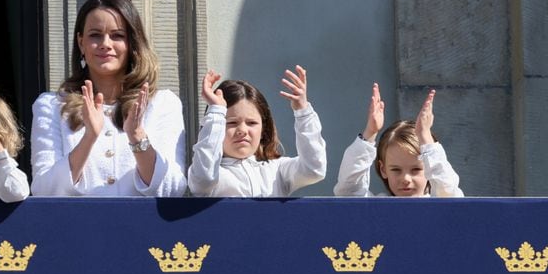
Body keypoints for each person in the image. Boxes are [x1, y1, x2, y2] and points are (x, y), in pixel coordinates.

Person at [30, 0, 187, 196]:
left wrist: (137, 136)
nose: (105, 43)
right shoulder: (51, 105)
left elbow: (173, 189)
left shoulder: (163, 103)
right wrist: (89, 138)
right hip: (77, 226)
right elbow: (44, 190)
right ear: (80, 43)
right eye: (95, 35)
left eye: (117, 36)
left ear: (132, 44)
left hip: (144, 226)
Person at [187, 67, 326, 197]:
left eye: (251, 123)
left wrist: (303, 113)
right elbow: (203, 180)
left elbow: (313, 170)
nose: (242, 130)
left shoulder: (277, 170)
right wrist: (216, 112)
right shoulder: (211, 174)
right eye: (231, 123)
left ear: (264, 129)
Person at [334, 84, 463, 197]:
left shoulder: (439, 205)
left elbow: (449, 194)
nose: (406, 179)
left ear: (429, 169)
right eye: (396, 170)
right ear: (383, 170)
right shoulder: (377, 208)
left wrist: (425, 137)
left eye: (416, 169)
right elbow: (348, 192)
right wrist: (370, 132)